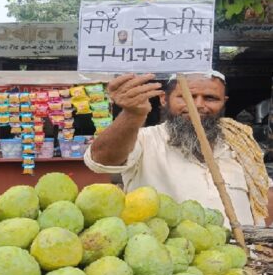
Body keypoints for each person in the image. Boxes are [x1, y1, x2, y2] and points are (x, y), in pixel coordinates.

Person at [84, 71, 273, 227]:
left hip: (242, 260)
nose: (198, 105)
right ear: (163, 100)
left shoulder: (239, 143)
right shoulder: (144, 139)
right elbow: (101, 160)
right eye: (186, 97)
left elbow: (265, 191)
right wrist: (132, 114)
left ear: (224, 102)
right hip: (171, 260)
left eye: (210, 98)